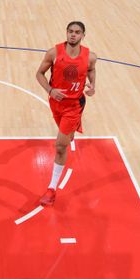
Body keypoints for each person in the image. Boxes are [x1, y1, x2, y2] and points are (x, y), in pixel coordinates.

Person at [35, 21, 97, 206]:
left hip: (74, 105)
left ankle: (51, 189)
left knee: (61, 146)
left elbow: (91, 70)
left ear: (83, 35)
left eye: (77, 32)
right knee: (67, 138)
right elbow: (39, 74)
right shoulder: (53, 53)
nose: (73, 35)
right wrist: (50, 90)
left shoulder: (90, 57)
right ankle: (71, 132)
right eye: (70, 31)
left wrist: (93, 85)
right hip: (55, 103)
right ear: (66, 33)